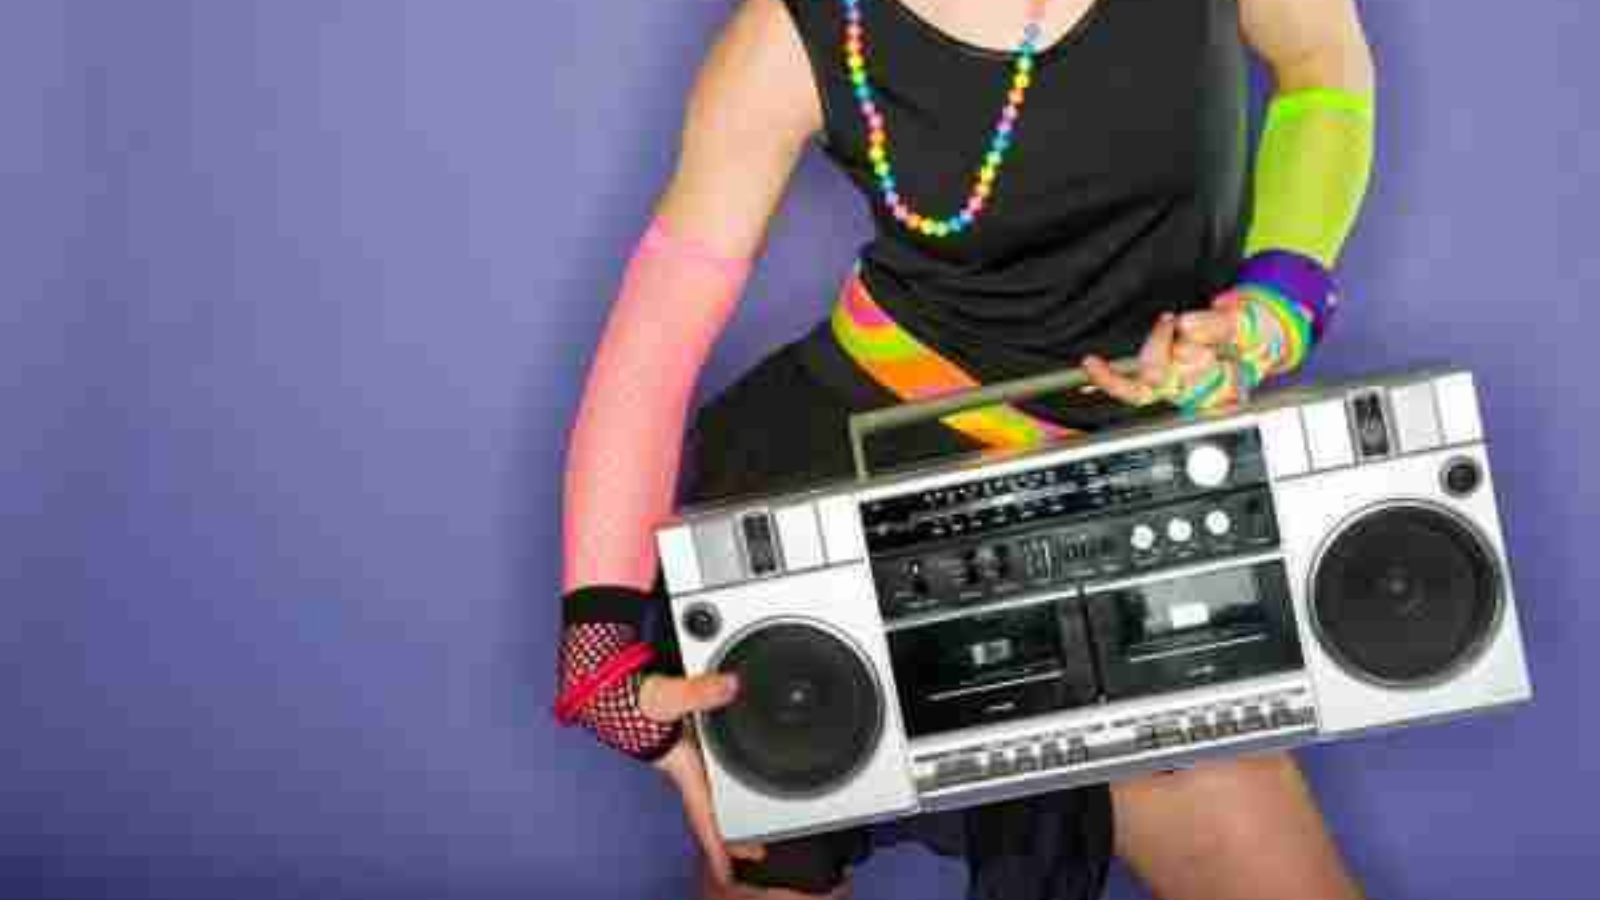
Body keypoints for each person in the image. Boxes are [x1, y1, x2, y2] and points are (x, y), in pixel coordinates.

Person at [554, 0, 1376, 897]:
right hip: (859, 500)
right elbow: (655, 338)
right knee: (770, 875)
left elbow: (1322, 61)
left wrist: (1273, 309)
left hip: (1119, 512)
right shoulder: (796, 33)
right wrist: (598, 647)